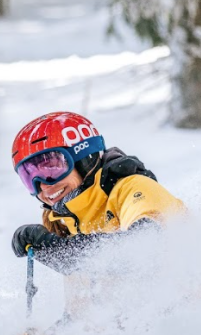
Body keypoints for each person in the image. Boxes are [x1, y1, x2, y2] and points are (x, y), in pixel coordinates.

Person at [10, 111, 185, 279]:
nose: (43, 185)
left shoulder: (134, 189)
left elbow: (147, 249)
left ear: (84, 160)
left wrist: (60, 249)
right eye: (29, 177)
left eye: (52, 169)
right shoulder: (71, 221)